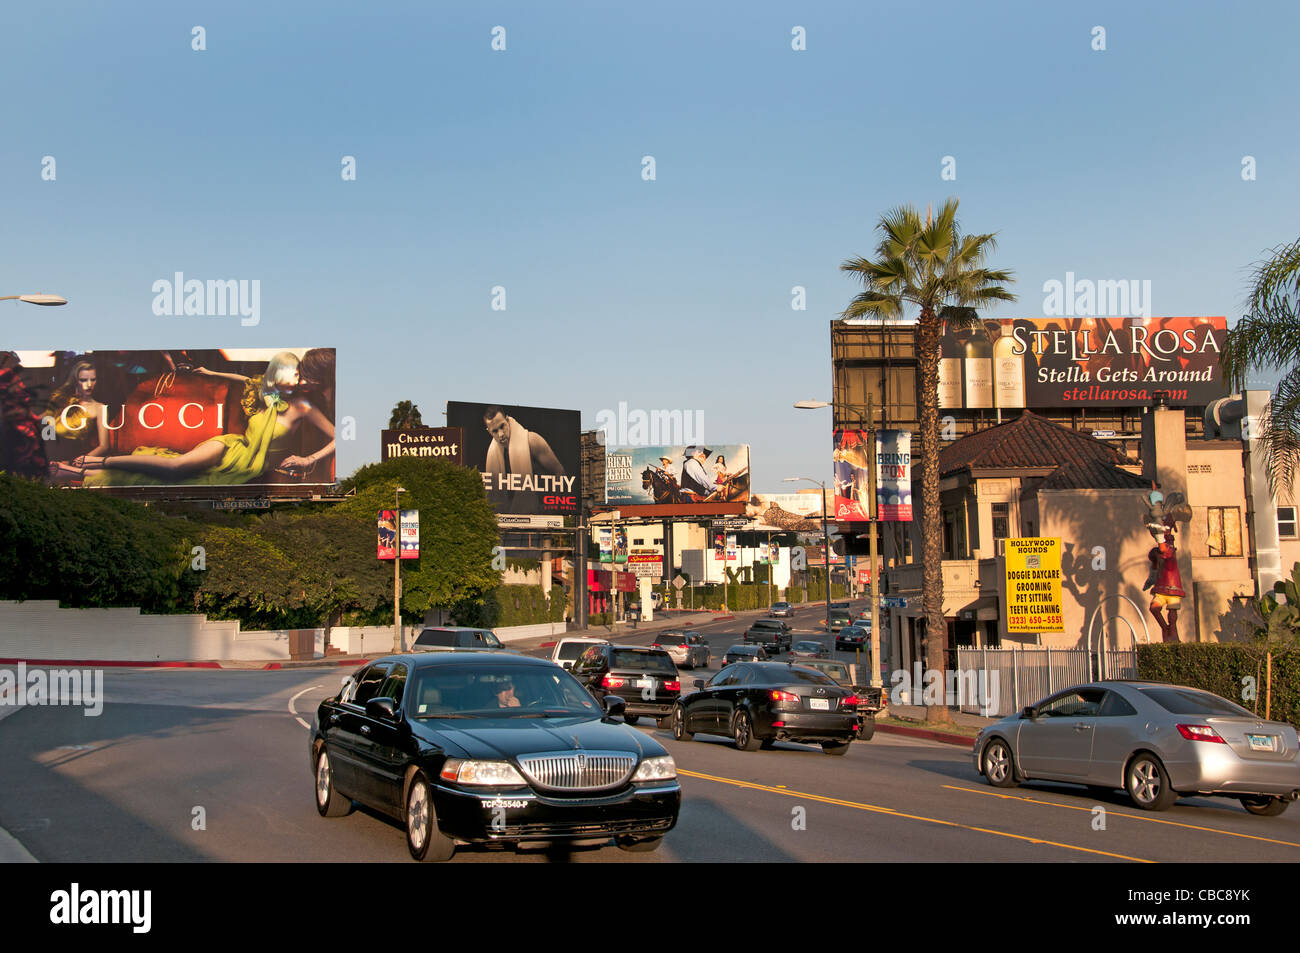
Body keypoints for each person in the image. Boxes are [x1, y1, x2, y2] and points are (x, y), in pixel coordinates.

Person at [72, 352, 335, 486]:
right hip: (232, 446)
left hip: (248, 464)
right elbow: (246, 380)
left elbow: (339, 436)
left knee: (175, 471)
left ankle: (83, 470)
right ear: (278, 374)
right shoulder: (267, 393)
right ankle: (99, 461)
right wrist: (209, 372)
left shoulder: (302, 405)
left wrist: (308, 459)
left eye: (300, 375)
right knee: (174, 463)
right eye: (294, 374)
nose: (299, 380)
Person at [42, 360, 110, 466]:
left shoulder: (99, 407)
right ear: (75, 381)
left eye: (93, 379)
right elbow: (46, 432)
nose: (89, 384)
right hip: (50, 457)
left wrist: (76, 462)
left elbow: (104, 446)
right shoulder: (59, 399)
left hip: (76, 460)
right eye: (83, 380)